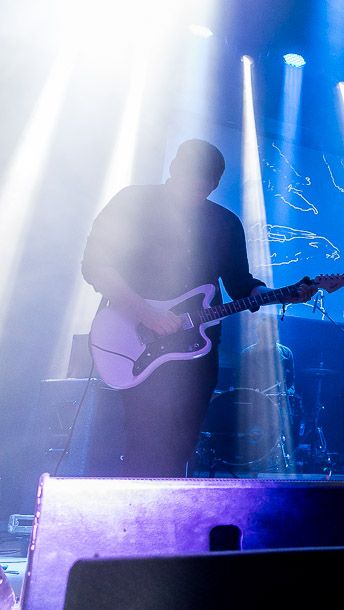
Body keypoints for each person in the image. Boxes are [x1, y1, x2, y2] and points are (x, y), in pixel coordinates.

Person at [82, 139, 314, 477]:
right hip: (134, 338)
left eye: (208, 182)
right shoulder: (134, 201)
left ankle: (172, 506)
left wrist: (281, 295)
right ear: (174, 168)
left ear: (216, 184)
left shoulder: (225, 222)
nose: (199, 187)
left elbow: (240, 282)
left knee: (181, 443)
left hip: (196, 350)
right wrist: (146, 313)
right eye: (193, 177)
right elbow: (96, 265)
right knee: (143, 441)